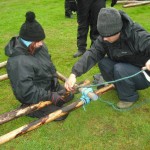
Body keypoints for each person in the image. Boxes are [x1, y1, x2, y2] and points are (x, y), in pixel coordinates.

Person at [65, 8, 150, 109]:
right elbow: (92, 53)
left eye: (107, 36)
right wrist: (74, 73)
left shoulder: (137, 34)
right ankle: (119, 86)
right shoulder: (105, 37)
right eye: (102, 35)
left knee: (120, 69)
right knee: (103, 62)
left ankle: (129, 97)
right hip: (124, 67)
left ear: (117, 30)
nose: (104, 39)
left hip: (143, 74)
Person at [5, 11, 73, 120]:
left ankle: (52, 96)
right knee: (62, 114)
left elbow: (49, 65)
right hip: (34, 95)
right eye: (38, 41)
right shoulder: (18, 62)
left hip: (47, 86)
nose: (42, 43)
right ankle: (29, 109)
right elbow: (25, 91)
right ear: (29, 42)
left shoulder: (39, 47)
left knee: (70, 96)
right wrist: (49, 96)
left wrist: (54, 81)